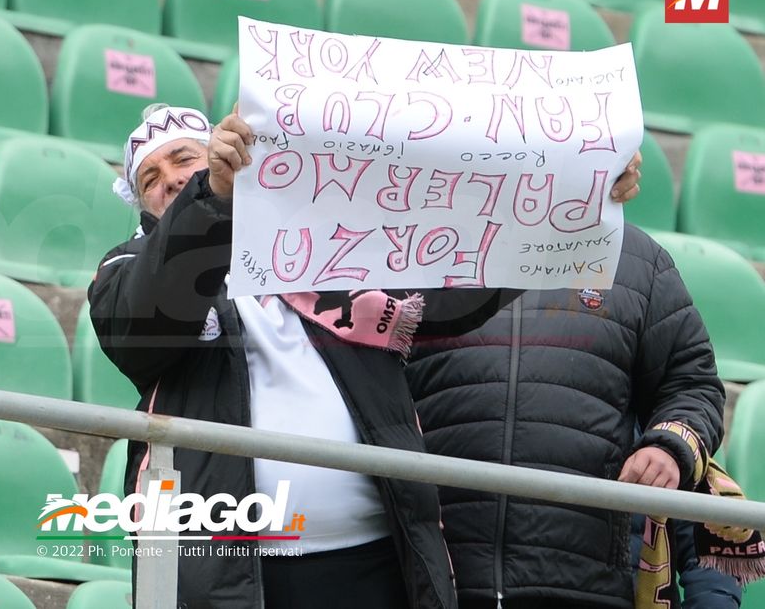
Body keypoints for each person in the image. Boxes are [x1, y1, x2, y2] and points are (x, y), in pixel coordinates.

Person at [89, 103, 643, 609]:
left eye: (184, 158)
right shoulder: (126, 271)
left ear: (224, 150)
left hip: (375, 559)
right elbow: (147, 325)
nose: (171, 181)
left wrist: (578, 197)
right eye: (151, 181)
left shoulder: (331, 241)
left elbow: (450, 292)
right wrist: (210, 201)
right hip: (228, 571)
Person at [404, 224, 728, 609]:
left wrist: (669, 447)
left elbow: (692, 385)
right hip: (432, 575)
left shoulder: (640, 261)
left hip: (590, 581)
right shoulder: (414, 245)